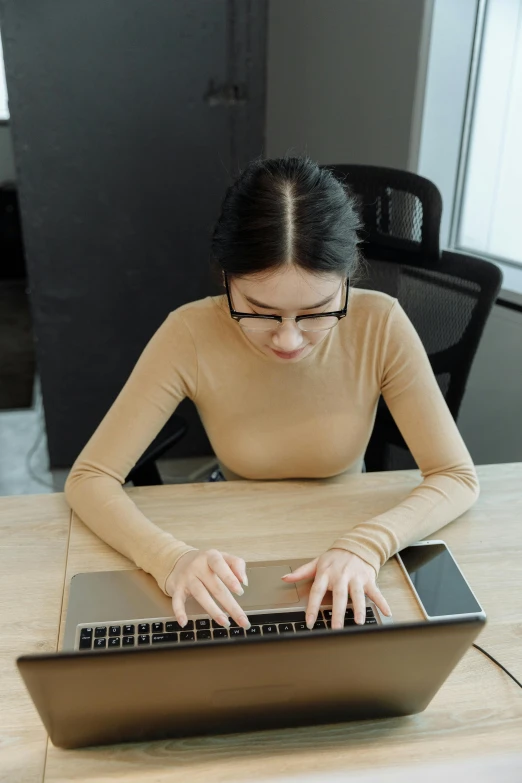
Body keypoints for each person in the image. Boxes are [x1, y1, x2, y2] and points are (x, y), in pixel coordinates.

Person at [65, 156, 479, 634]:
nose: (288, 340)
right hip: (235, 545)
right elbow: (90, 477)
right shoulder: (189, 332)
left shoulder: (380, 322)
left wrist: (367, 544)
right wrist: (170, 558)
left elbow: (456, 476)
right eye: (260, 312)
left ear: (347, 279)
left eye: (317, 312)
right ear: (227, 279)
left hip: (348, 535)